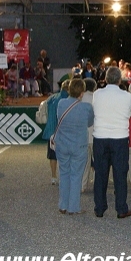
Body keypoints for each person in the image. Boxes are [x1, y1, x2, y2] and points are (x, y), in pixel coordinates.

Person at [92, 67, 131, 218]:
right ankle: (121, 208)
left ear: (105, 79)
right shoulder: (127, 96)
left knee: (100, 174)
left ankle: (99, 207)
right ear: (119, 80)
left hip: (100, 137)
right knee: (120, 174)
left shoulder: (97, 94)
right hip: (120, 138)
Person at [54, 79, 94, 215]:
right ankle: (73, 207)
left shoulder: (61, 104)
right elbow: (90, 123)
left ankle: (63, 204)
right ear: (82, 93)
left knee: (64, 173)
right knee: (76, 175)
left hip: (62, 144)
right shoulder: (87, 107)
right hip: (79, 144)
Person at [42, 80, 70, 185]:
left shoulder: (52, 97)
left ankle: (53, 176)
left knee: (52, 155)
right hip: (62, 131)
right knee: (65, 155)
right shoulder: (67, 100)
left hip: (51, 130)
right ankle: (64, 176)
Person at [80, 78, 97, 192]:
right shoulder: (97, 98)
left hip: (83, 134)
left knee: (84, 162)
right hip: (96, 133)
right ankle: (97, 184)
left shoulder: (80, 99)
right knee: (98, 162)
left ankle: (82, 185)